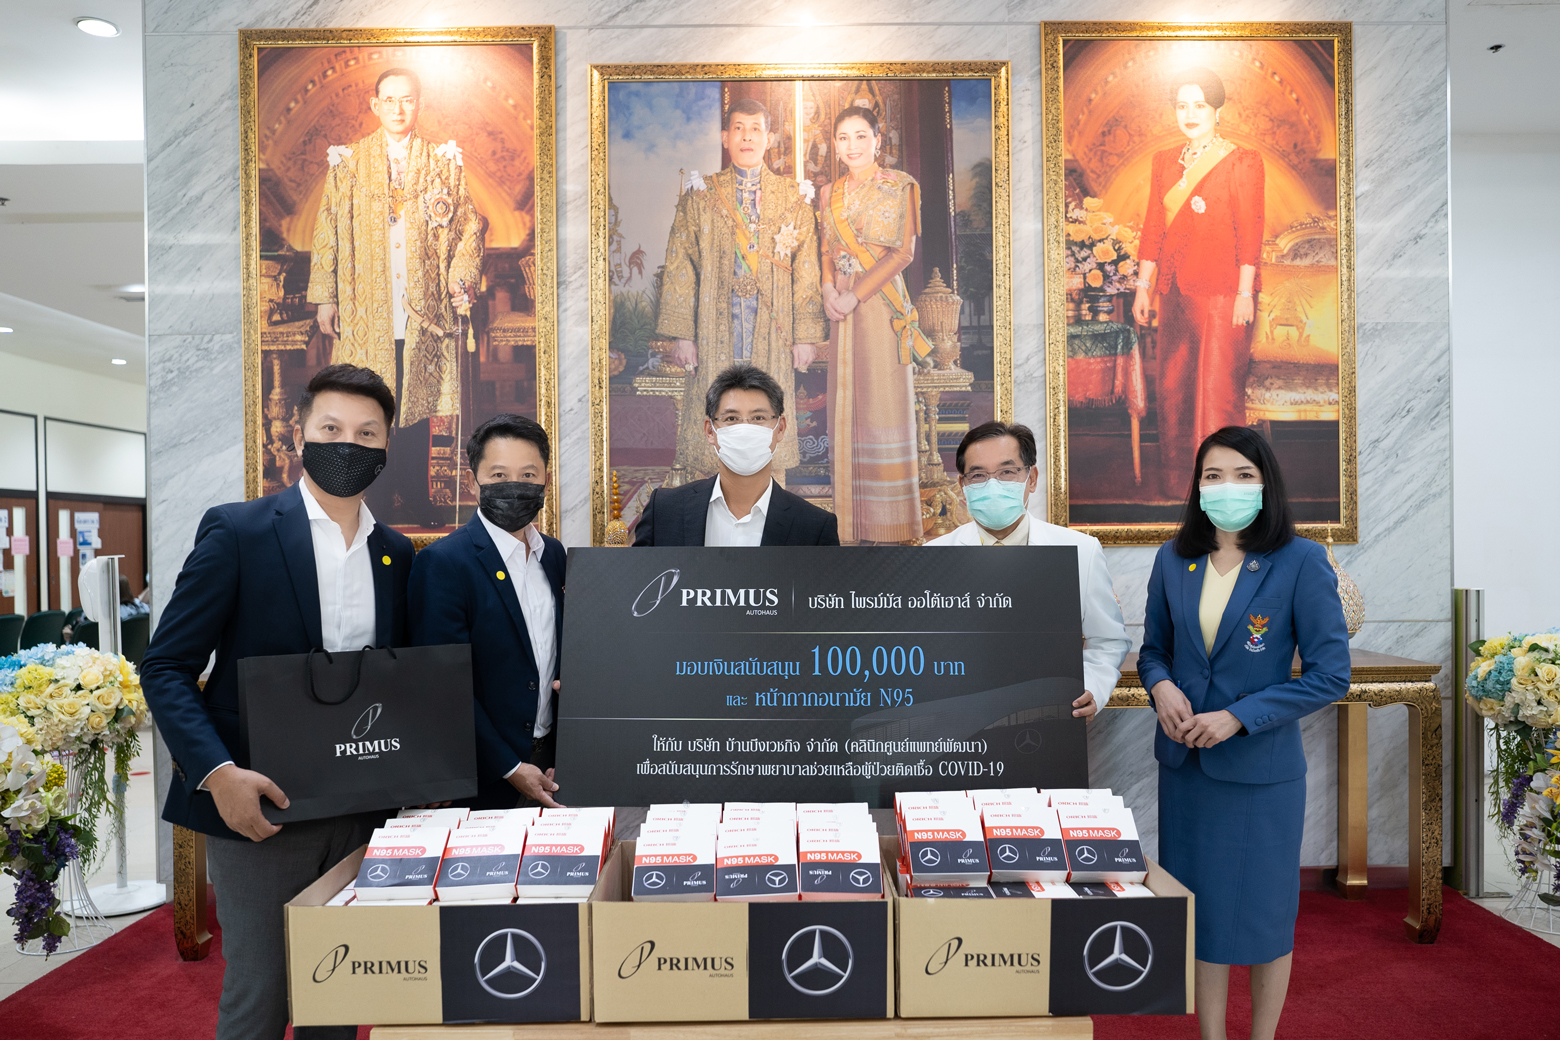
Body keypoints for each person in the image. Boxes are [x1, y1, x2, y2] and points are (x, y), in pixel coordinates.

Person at [141, 364, 415, 1040]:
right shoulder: (239, 532)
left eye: (366, 433)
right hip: (259, 810)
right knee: (259, 995)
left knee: (338, 993)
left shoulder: (396, 554)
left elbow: (404, 679)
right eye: (331, 428)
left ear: (385, 447)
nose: (348, 445)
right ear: (299, 435)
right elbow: (167, 665)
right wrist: (217, 774)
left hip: (362, 810)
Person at [1137, 426, 1350, 1040]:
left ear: (1265, 484)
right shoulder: (1173, 558)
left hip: (1261, 775)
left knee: (1262, 919)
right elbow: (1154, 651)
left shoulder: (1301, 560)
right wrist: (1161, 687)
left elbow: (1330, 675)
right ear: (1197, 486)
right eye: (1213, 475)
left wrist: (1238, 716)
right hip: (1186, 772)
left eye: (1242, 475)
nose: (1226, 486)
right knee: (1199, 916)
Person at [308, 66, 484, 526]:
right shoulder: (349, 163)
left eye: (407, 99)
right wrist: (326, 296)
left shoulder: (443, 162)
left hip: (424, 309)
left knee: (417, 407)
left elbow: (468, 228)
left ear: (419, 104)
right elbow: (327, 230)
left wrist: (461, 278)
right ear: (375, 104)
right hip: (368, 307)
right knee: (372, 404)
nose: (398, 108)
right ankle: (378, 495)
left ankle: (416, 494)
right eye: (390, 99)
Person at [657, 97, 826, 481]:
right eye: (738, 129)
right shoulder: (702, 195)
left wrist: (805, 337)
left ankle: (767, 510)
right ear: (725, 137)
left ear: (769, 138)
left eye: (755, 129)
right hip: (714, 332)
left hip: (772, 334)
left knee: (767, 417)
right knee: (717, 418)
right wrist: (683, 334)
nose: (747, 137)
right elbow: (681, 265)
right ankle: (712, 506)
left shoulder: (793, 198)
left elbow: (807, 270)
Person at [408, 414, 564, 810]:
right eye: (498, 475)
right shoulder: (444, 562)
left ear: (546, 480)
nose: (515, 486)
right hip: (483, 780)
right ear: (471, 481)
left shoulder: (554, 555)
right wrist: (509, 767)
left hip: (553, 768)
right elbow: (441, 683)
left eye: (528, 475)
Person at [926, 422, 1130, 719]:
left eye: (1007, 472)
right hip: (957, 723)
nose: (993, 485)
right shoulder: (933, 557)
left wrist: (1092, 687)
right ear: (962, 486)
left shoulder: (1081, 551)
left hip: (1047, 719)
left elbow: (1108, 641)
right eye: (978, 475)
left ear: (1031, 478)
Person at [1131, 67, 1265, 499]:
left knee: (1215, 393)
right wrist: (1143, 286)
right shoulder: (1163, 161)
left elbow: (1251, 231)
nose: (1190, 114)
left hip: (1224, 294)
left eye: (1200, 105)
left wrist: (1245, 293)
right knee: (1175, 389)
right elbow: (1154, 225)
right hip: (1175, 293)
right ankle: (1181, 485)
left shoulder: (1242, 161)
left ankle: (1224, 489)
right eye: (1182, 105)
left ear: (1217, 110)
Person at [818, 104, 933, 543]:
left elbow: (903, 253)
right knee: (846, 407)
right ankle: (849, 526)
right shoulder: (828, 194)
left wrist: (854, 295)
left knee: (881, 404)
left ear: (878, 141)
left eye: (861, 136)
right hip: (841, 310)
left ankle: (891, 526)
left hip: (880, 307)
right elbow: (826, 251)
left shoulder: (900, 185)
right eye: (843, 137)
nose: (852, 145)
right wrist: (828, 290)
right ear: (834, 144)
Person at [633, 364, 839, 547]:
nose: (744, 429)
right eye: (731, 418)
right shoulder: (665, 510)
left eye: (758, 418)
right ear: (710, 430)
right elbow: (642, 578)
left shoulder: (815, 526)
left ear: (780, 428)